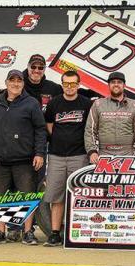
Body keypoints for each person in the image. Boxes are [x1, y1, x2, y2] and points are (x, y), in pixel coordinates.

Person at [0, 70, 46, 246]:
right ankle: (0, 232)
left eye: (19, 81)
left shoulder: (31, 103)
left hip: (24, 161)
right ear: (6, 83)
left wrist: (39, 153)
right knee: (0, 198)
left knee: (27, 198)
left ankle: (28, 232)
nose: (15, 84)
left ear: (23, 84)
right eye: (12, 81)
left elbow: (40, 129)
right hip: (2, 161)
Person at [43, 70, 92, 247]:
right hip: (56, 155)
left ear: (78, 84)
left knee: (78, 196)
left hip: (79, 156)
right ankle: (55, 233)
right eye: (66, 84)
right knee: (56, 197)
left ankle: (74, 232)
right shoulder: (54, 103)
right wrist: (60, 139)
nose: (69, 87)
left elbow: (90, 128)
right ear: (62, 84)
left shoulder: (86, 104)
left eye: (73, 84)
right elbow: (49, 126)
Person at [84, 71, 135, 162]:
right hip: (103, 154)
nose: (116, 84)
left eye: (119, 82)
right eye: (113, 82)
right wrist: (92, 151)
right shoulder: (98, 104)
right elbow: (90, 130)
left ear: (124, 85)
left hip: (128, 154)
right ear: (108, 85)